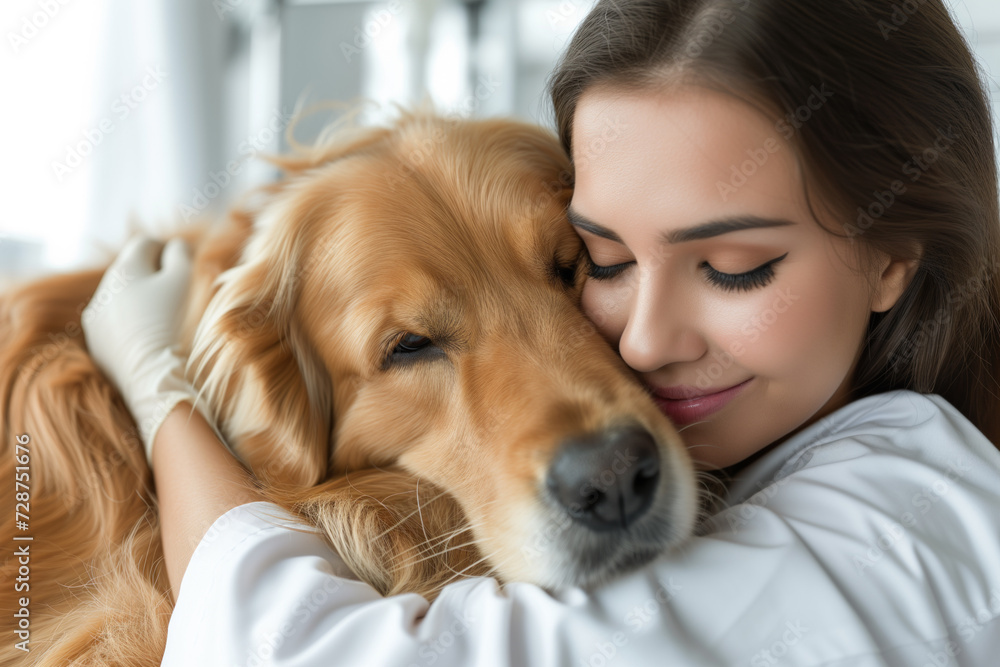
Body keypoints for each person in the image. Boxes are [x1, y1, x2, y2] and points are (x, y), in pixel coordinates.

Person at [81, 0, 1000, 664]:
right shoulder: (777, 431)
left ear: (890, 257)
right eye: (600, 260)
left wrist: (165, 399)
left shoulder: (909, 528)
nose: (638, 347)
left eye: (733, 267)